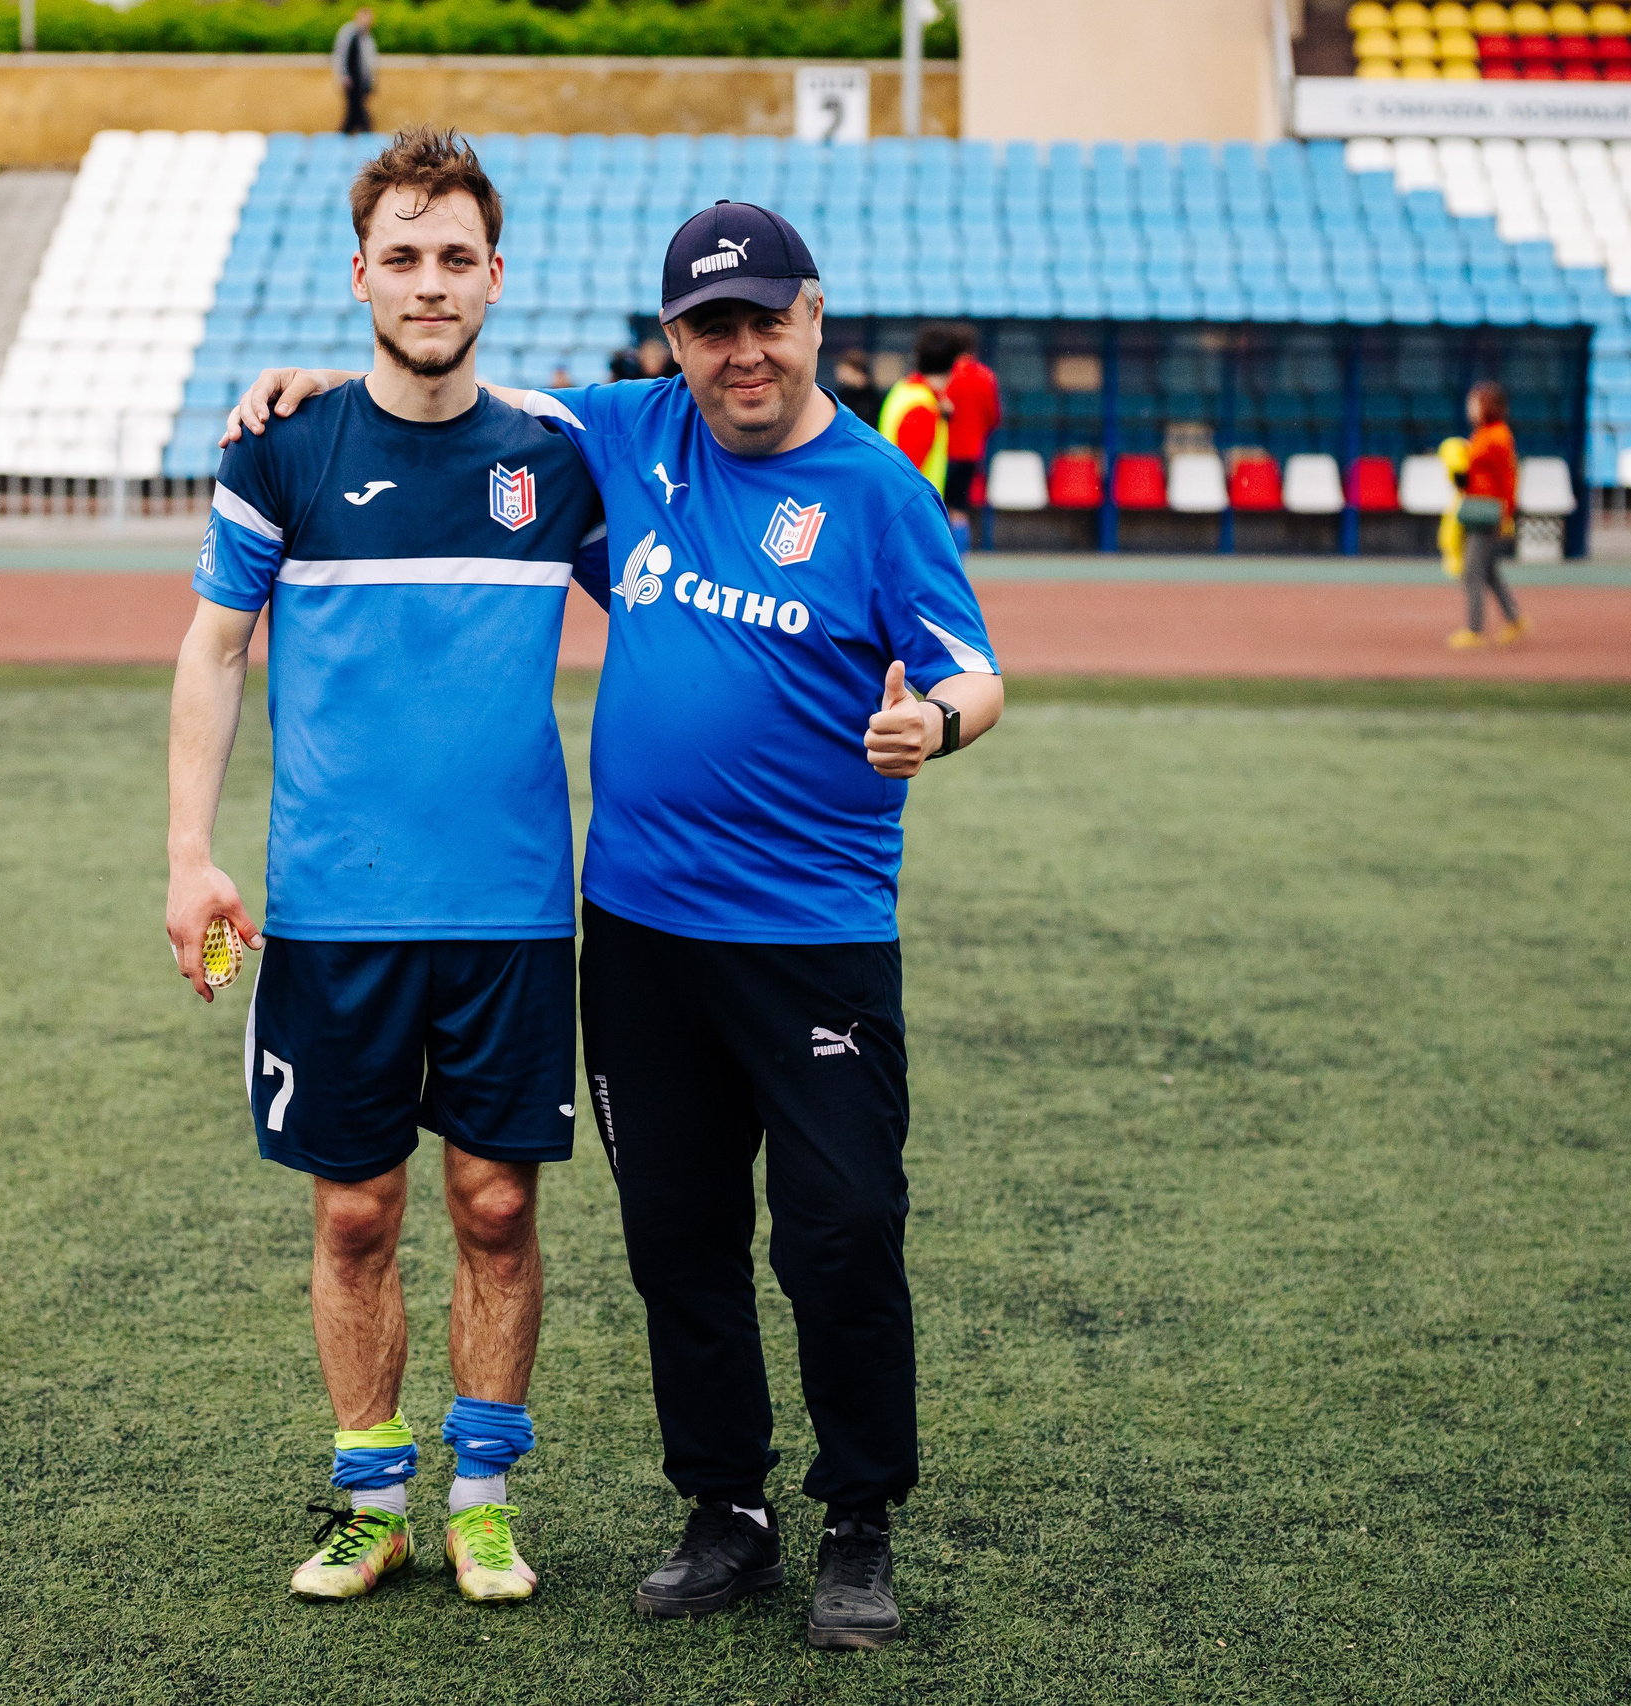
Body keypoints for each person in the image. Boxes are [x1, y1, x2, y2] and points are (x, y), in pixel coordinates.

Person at [225, 198, 1004, 1651]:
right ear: (675, 344)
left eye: (767, 319)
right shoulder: (627, 434)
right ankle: (727, 1509)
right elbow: (444, 390)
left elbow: (974, 670)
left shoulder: (880, 489)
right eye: (712, 328)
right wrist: (318, 385)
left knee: (840, 1230)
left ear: (814, 315)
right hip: (638, 931)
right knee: (679, 1237)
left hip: (815, 932)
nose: (743, 351)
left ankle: (857, 1520)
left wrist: (931, 721)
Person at [165, 127, 605, 1608]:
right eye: (403, 257)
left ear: (497, 275)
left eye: (455, 257)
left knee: (496, 1205)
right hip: (332, 916)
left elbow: (696, 553)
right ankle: (373, 1495)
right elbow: (215, 647)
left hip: (513, 915)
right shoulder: (281, 446)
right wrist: (188, 856)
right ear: (361, 273)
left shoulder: (559, 457)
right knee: (354, 1213)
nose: (430, 282)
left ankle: (482, 1495)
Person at [1446, 379, 1528, 651]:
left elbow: (1507, 477)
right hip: (1476, 507)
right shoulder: (1482, 433)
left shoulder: (1498, 435)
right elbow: (1478, 473)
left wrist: (1506, 513)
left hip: (1489, 511)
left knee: (1472, 571)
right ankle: (1515, 619)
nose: (1470, 408)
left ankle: (1474, 629)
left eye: (1475, 403)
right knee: (1488, 570)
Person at [878, 329, 954, 530]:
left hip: (897, 507)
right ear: (952, 366)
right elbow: (910, 472)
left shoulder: (903, 390)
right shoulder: (924, 409)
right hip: (915, 513)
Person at [941, 327, 1000, 552]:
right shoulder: (986, 377)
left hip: (944, 452)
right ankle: (960, 563)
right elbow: (993, 417)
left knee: (938, 508)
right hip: (972, 452)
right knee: (960, 510)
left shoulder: (948, 376)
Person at [331, 7, 378, 137]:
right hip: (351, 82)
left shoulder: (366, 35)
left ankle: (349, 136)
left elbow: (369, 63)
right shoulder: (349, 33)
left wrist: (371, 83)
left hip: (361, 83)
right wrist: (343, 76)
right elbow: (341, 56)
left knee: (355, 114)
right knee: (356, 113)